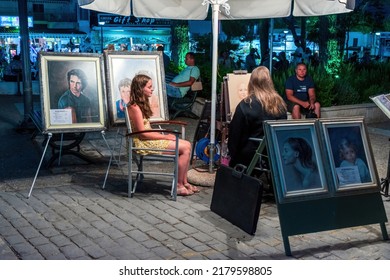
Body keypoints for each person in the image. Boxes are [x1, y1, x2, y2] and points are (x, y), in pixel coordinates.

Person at [127, 74, 199, 196]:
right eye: (149, 87)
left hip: (147, 138)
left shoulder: (139, 105)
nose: (152, 89)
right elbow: (143, 134)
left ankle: (184, 182)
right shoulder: (134, 107)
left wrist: (163, 135)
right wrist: (165, 136)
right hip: (143, 142)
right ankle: (179, 185)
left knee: (187, 144)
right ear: (140, 88)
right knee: (184, 148)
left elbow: (146, 130)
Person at [228, 66, 287, 168]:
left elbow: (235, 135)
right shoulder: (280, 103)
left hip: (250, 155)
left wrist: (231, 155)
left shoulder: (247, 104)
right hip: (274, 152)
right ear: (269, 82)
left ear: (251, 82)